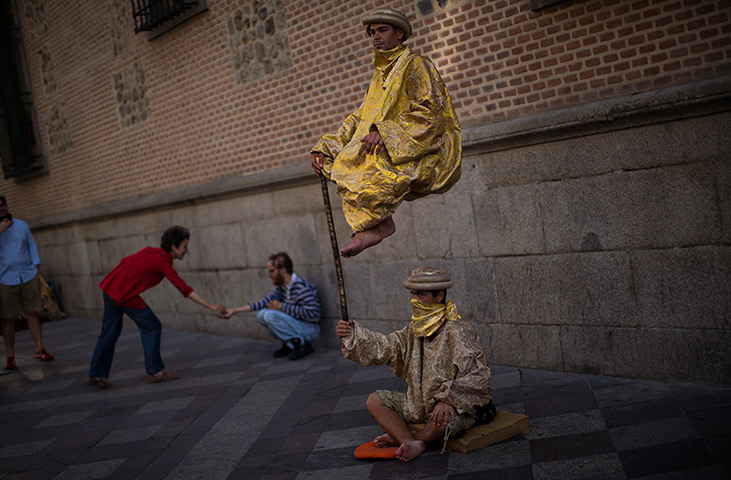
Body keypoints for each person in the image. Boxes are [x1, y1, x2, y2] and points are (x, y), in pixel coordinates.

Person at [311, 8, 462, 257]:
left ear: (399, 33)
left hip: (424, 148)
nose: (375, 37)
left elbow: (431, 113)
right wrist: (325, 146)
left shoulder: (416, 65)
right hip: (390, 144)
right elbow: (361, 118)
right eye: (372, 32)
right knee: (339, 162)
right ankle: (377, 225)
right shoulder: (377, 77)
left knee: (367, 163)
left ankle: (377, 225)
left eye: (382, 30)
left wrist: (386, 133)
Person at [336, 267, 494, 462]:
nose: (415, 300)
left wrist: (448, 399)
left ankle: (405, 437)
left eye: (421, 294)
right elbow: (387, 347)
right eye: (413, 294)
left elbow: (478, 376)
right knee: (374, 401)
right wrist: (352, 334)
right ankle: (412, 441)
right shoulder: (413, 329)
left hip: (451, 406)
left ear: (440, 296)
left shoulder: (458, 330)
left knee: (442, 422)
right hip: (417, 405)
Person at [85, 226, 225, 388]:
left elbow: (125, 262)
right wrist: (211, 306)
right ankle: (155, 371)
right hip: (124, 295)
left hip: (110, 289)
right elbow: (183, 288)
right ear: (174, 247)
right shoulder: (162, 261)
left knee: (108, 334)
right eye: (184, 246)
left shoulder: (151, 251)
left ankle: (94, 375)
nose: (187, 250)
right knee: (152, 326)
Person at [220, 252, 321, 361]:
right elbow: (262, 303)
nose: (269, 274)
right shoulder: (282, 288)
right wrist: (234, 311)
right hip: (298, 325)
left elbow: (313, 315)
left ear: (283, 269)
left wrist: (282, 306)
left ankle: (301, 344)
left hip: (310, 329)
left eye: (271, 271)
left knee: (270, 315)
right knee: (261, 314)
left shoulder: (301, 287)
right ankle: (291, 344)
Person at [0, 196, 54, 372]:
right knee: (8, 319)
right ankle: (10, 357)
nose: (1, 209)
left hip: (27, 275)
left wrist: (35, 265)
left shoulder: (21, 225)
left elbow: (31, 245)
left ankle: (40, 350)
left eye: (2, 205)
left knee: (32, 313)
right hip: (5, 278)